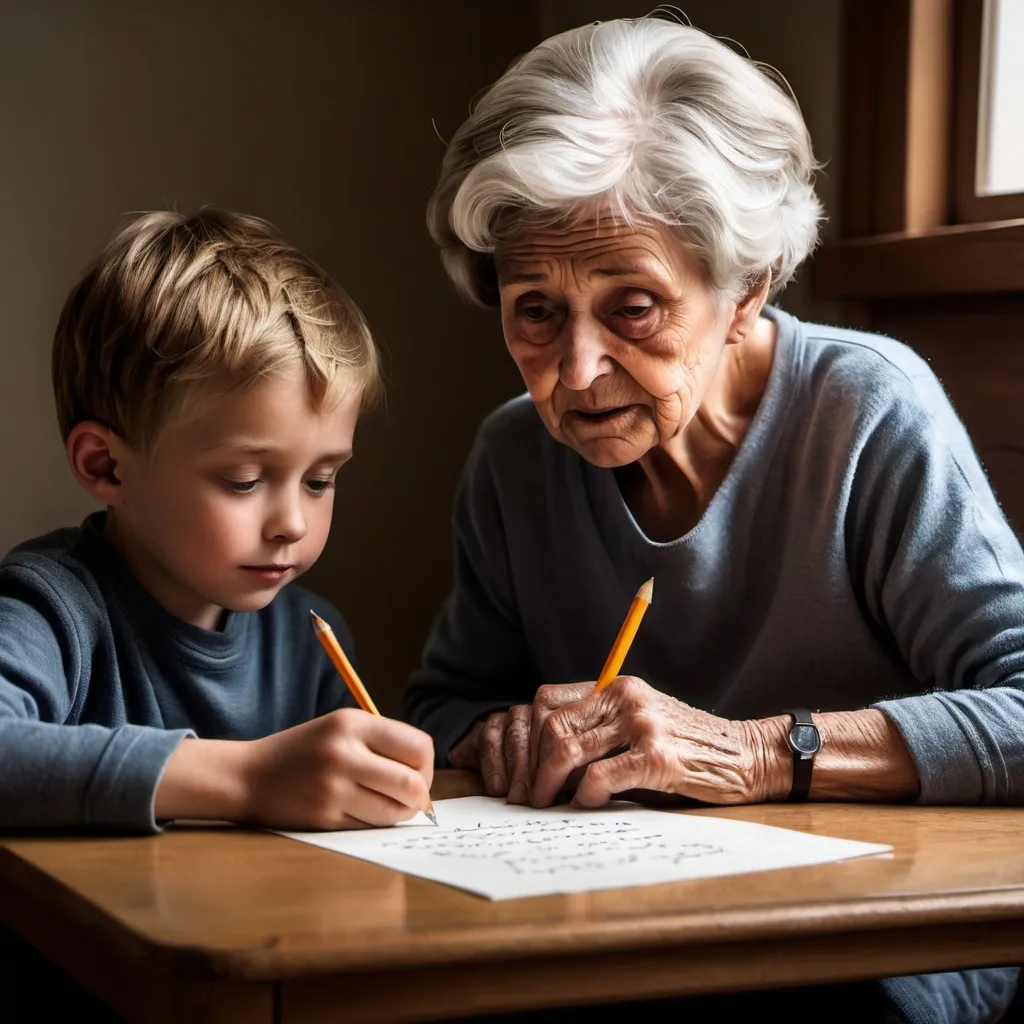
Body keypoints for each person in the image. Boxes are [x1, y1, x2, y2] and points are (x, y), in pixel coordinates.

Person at [406, 15, 1022, 1023]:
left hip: (865, 940)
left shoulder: (865, 411)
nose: (576, 371)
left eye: (633, 306)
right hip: (617, 924)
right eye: (534, 308)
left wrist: (755, 752)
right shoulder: (514, 457)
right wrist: (508, 731)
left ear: (746, 288)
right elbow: (439, 708)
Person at [0, 208, 434, 833]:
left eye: (320, 480)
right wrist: (248, 780)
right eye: (245, 481)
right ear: (107, 467)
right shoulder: (51, 611)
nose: (291, 522)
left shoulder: (308, 642)